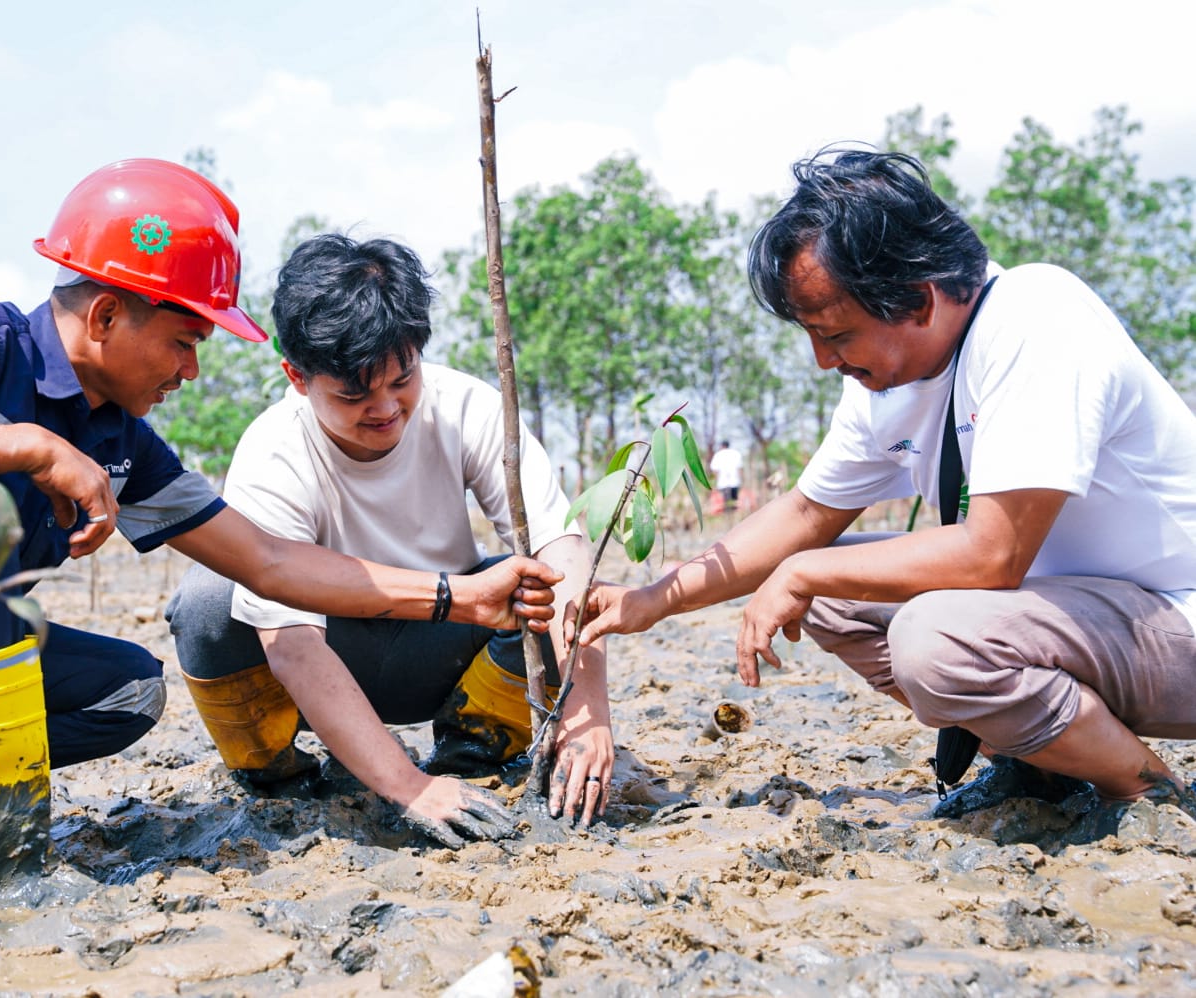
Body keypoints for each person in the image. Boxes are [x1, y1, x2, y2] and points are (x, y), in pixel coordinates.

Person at [0, 159, 559, 870]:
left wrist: (457, 596)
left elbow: (268, 564)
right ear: (107, 314)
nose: (189, 371)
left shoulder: (120, 442)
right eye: (184, 341)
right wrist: (19, 447)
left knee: (123, 691)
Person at [572, 148, 1196, 831]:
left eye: (834, 334)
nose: (821, 360)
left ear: (918, 299)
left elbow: (994, 556)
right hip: (1078, 623)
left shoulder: (1033, 318)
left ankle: (1144, 792)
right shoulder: (884, 382)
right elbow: (806, 513)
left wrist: (805, 570)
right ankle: (1043, 766)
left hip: (1173, 622)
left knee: (933, 637)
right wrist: (650, 601)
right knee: (836, 594)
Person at [165, 233, 614, 840]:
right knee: (210, 598)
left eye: (402, 380)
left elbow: (563, 549)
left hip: (446, 651)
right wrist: (408, 786)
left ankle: (471, 754)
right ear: (297, 376)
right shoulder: (272, 453)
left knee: (542, 583)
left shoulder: (469, 408)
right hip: (322, 660)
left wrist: (588, 711)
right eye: (353, 394)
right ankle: (276, 774)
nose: (385, 408)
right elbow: (292, 644)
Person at [710, 440, 743, 513]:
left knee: (726, 504)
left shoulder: (718, 455)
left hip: (723, 483)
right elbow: (740, 468)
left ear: (722, 446)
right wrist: (741, 480)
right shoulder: (736, 454)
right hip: (735, 482)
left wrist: (714, 482)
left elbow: (715, 470)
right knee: (734, 503)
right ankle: (735, 519)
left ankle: (728, 519)